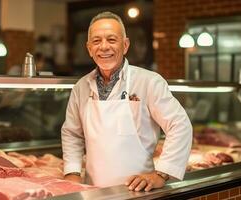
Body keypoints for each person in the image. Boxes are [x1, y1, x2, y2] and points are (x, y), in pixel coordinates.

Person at [61, 11, 192, 192]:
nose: (104, 47)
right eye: (97, 41)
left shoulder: (149, 81)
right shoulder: (81, 87)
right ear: (89, 48)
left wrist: (161, 174)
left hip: (138, 192)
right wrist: (72, 172)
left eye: (112, 40)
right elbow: (72, 134)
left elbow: (180, 124)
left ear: (125, 45)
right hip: (93, 191)